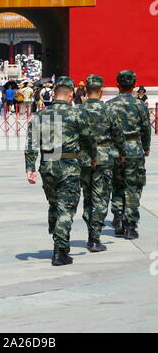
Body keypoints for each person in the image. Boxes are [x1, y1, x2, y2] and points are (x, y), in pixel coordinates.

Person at [25, 76, 98, 266]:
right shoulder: (77, 114)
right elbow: (89, 139)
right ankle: (59, 251)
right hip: (68, 165)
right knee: (67, 208)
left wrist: (30, 168)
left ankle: (59, 240)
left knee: (55, 204)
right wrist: (93, 157)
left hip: (48, 164)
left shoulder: (40, 116)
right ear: (71, 94)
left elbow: (31, 145)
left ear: (54, 94)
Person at [79, 75, 126, 251]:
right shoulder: (108, 110)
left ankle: (90, 224)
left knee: (88, 196)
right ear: (102, 89)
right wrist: (121, 152)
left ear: (85, 89)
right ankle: (94, 237)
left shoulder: (78, 109)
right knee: (101, 197)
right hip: (104, 157)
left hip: (83, 159)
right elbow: (118, 135)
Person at [106, 70, 151, 239]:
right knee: (133, 187)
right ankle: (130, 225)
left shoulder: (109, 105)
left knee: (116, 184)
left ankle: (117, 219)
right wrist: (146, 147)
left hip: (114, 150)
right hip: (134, 149)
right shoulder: (140, 105)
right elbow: (146, 129)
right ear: (134, 85)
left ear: (117, 84)